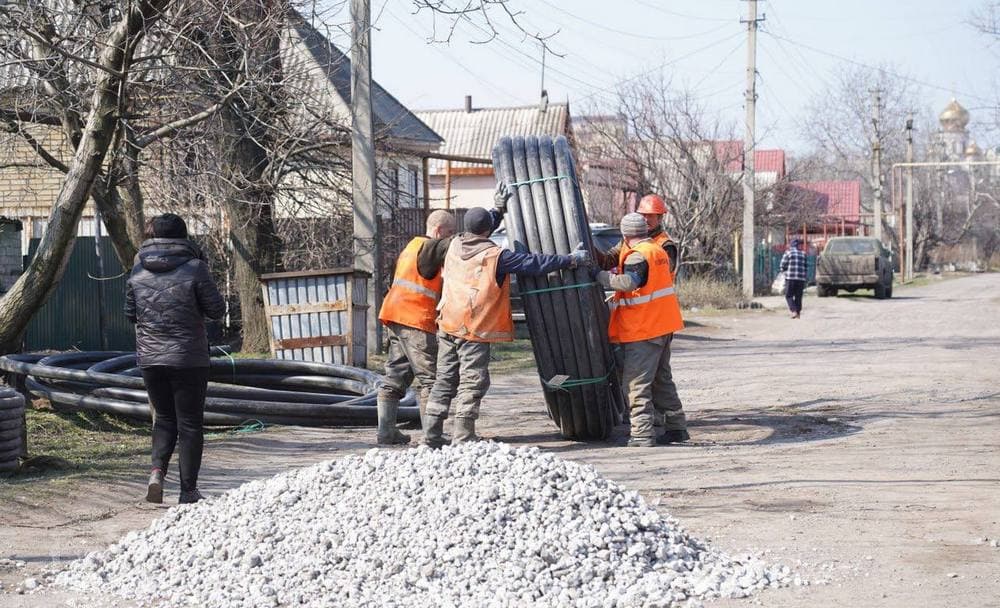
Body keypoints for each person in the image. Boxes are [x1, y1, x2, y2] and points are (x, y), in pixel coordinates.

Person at [421, 204, 589, 448]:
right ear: (488, 230)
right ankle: (463, 436)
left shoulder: (453, 244)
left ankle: (430, 437)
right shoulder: (495, 256)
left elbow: (480, 228)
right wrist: (570, 260)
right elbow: (533, 263)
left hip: (447, 323)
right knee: (472, 381)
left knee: (444, 381)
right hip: (473, 329)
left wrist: (497, 209)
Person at [125, 214, 225, 504]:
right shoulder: (196, 268)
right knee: (190, 424)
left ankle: (157, 472)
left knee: (164, 419)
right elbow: (216, 310)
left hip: (150, 357)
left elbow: (130, 313)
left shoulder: (137, 268)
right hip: (188, 357)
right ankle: (188, 490)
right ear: (184, 237)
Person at [596, 213, 687, 448]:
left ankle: (642, 434)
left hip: (644, 330)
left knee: (636, 383)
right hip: (662, 325)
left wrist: (600, 276)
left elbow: (629, 282)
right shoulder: (656, 249)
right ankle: (677, 427)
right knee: (661, 380)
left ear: (625, 234)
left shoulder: (638, 255)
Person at [374, 209, 456, 445]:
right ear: (439, 230)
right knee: (431, 379)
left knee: (395, 377)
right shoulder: (431, 247)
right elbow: (464, 243)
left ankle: (386, 433)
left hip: (395, 316)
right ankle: (432, 436)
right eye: (449, 232)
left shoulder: (410, 248)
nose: (450, 237)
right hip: (415, 321)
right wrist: (492, 215)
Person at [595, 194, 679, 276]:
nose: (645, 219)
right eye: (643, 215)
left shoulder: (666, 245)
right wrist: (591, 249)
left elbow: (662, 273)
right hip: (626, 289)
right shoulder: (628, 239)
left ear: (660, 218)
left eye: (650, 215)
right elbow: (607, 262)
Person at [780, 238, 807, 319]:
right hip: (801, 279)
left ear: (791, 245)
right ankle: (798, 313)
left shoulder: (788, 253)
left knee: (789, 295)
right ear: (798, 245)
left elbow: (782, 265)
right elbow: (805, 267)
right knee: (798, 296)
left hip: (790, 278)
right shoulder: (803, 254)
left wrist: (783, 271)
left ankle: (794, 311)